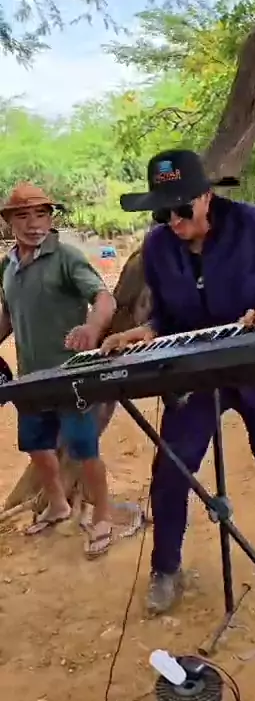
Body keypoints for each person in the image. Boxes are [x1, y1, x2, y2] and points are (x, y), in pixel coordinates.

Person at [102, 149, 255, 614]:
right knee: (172, 468)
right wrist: (147, 331)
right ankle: (166, 568)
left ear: (207, 197)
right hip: (198, 374)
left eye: (182, 209)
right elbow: (170, 317)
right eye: (162, 213)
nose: (173, 221)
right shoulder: (158, 246)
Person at [0, 182, 116, 557]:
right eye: (23, 216)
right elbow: (8, 315)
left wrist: (92, 328)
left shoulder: (67, 258)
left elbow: (104, 297)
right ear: (9, 222)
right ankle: (58, 504)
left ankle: (103, 515)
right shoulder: (7, 266)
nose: (34, 224)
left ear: (51, 219)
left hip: (72, 376)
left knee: (84, 449)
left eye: (41, 214)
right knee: (36, 444)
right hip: (31, 377)